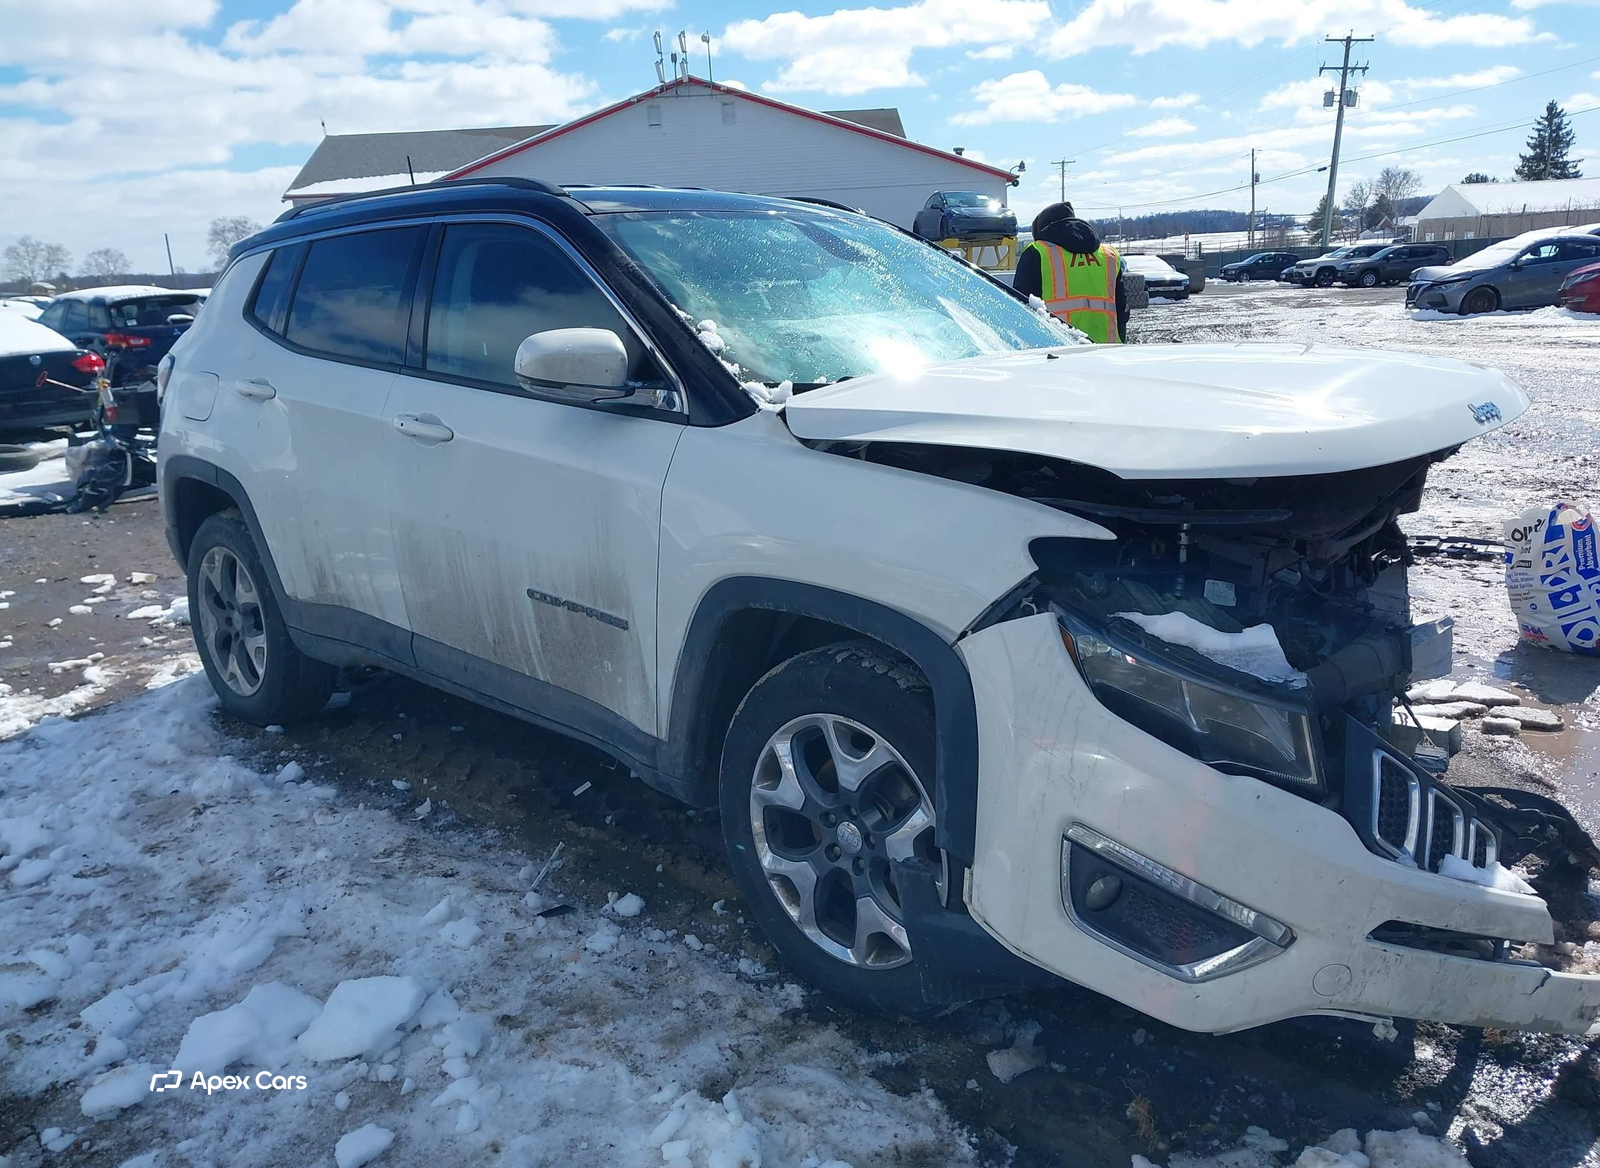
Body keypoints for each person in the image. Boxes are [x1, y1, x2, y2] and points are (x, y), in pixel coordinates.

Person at [1013, 201, 1128, 343]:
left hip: (1057, 350)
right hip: (1107, 350)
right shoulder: (1109, 255)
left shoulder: (1037, 252)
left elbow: (1020, 309)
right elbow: (1122, 311)